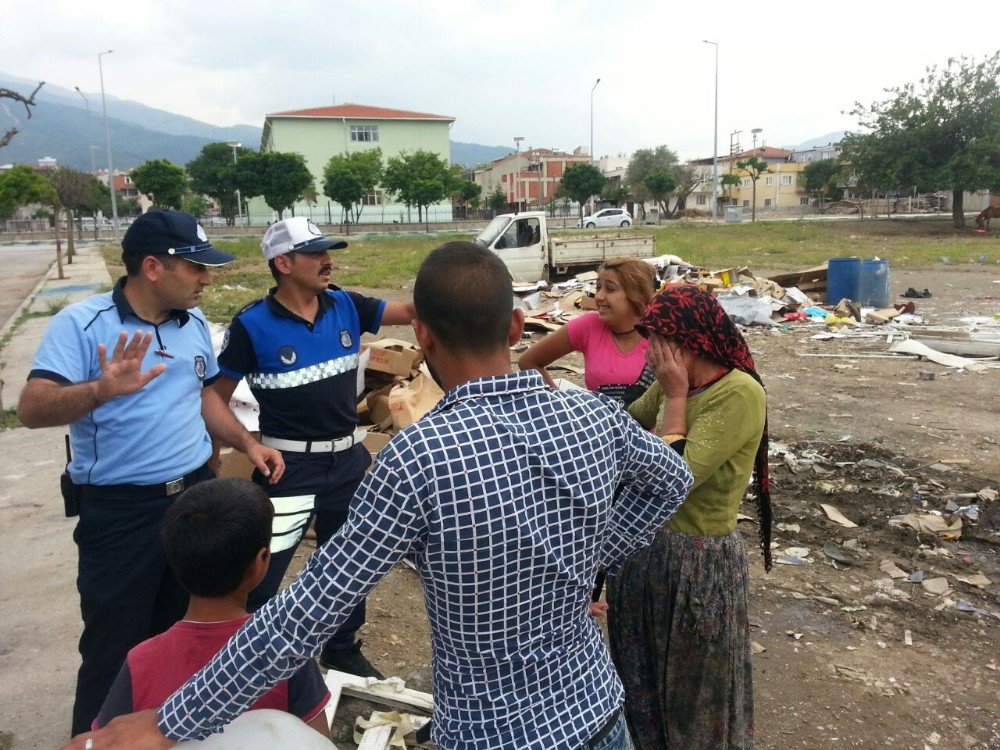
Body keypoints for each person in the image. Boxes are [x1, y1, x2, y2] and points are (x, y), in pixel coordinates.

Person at [66, 241, 693, 750]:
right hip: (601, 716)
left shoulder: (421, 456)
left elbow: (302, 615)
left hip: (494, 734)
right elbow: (670, 480)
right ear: (517, 325)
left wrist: (169, 721)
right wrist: (580, 566)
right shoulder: (589, 413)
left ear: (421, 332)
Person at [16, 209, 284, 737]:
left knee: (188, 636)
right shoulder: (82, 324)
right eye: (196, 267)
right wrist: (99, 390)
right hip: (121, 512)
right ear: (153, 267)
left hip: (193, 501)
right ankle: (94, 739)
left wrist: (247, 443)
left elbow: (204, 395)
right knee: (114, 646)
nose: (207, 278)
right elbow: (30, 407)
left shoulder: (193, 326)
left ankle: (172, 733)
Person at [210, 216, 415, 678]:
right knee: (264, 569)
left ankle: (341, 648)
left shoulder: (346, 305)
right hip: (290, 471)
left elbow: (411, 312)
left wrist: (457, 285)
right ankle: (250, 662)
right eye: (316, 253)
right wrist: (247, 443)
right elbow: (212, 397)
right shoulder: (251, 325)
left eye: (328, 252)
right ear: (283, 263)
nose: (327, 261)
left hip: (348, 464)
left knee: (349, 565)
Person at [605, 285, 772, 750]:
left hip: (697, 565)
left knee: (695, 694)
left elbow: (672, 477)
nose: (652, 352)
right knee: (638, 680)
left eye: (660, 339)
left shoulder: (737, 394)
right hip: (643, 554)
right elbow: (624, 425)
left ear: (691, 338)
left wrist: (675, 397)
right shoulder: (671, 382)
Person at [93, 477, 330, 736]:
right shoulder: (282, 652)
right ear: (261, 562)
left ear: (175, 558)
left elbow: (105, 739)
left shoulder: (140, 661)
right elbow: (318, 741)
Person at [517, 258, 656, 409]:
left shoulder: (659, 334)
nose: (598, 297)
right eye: (598, 288)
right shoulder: (588, 327)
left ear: (636, 295)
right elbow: (528, 361)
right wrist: (562, 407)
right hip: (598, 431)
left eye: (610, 289)